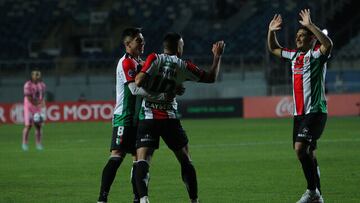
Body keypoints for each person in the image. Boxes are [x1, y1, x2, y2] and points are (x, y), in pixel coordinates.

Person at [134, 32, 225, 203]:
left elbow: (138, 80)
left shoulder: (154, 58)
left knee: (143, 159)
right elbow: (211, 77)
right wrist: (217, 56)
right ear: (178, 47)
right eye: (182, 45)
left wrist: (157, 85)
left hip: (148, 116)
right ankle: (194, 200)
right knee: (185, 159)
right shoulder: (184, 65)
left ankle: (144, 199)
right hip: (170, 118)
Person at [97, 27, 172, 203]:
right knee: (117, 155)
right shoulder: (126, 63)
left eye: (143, 40)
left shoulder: (141, 62)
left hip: (140, 118)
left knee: (139, 160)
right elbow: (135, 89)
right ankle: (102, 198)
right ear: (127, 43)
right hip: (124, 116)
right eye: (139, 40)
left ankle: (137, 198)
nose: (142, 43)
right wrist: (161, 96)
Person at [267, 9, 333, 203]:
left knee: (300, 149)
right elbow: (273, 48)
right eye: (297, 36)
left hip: (316, 111)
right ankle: (317, 196)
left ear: (312, 39)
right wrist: (271, 30)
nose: (298, 39)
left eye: (302, 35)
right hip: (299, 114)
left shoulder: (317, 55)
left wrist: (310, 25)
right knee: (309, 153)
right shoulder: (294, 56)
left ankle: (312, 191)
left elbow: (328, 44)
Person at [22, 69, 46, 151]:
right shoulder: (27, 85)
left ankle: (38, 144)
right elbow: (29, 98)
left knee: (38, 126)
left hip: (37, 106)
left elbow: (42, 96)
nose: (38, 76)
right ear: (32, 76)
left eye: (39, 74)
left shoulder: (42, 85)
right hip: (29, 107)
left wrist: (42, 104)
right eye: (36, 74)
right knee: (28, 126)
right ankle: (25, 143)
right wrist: (37, 103)